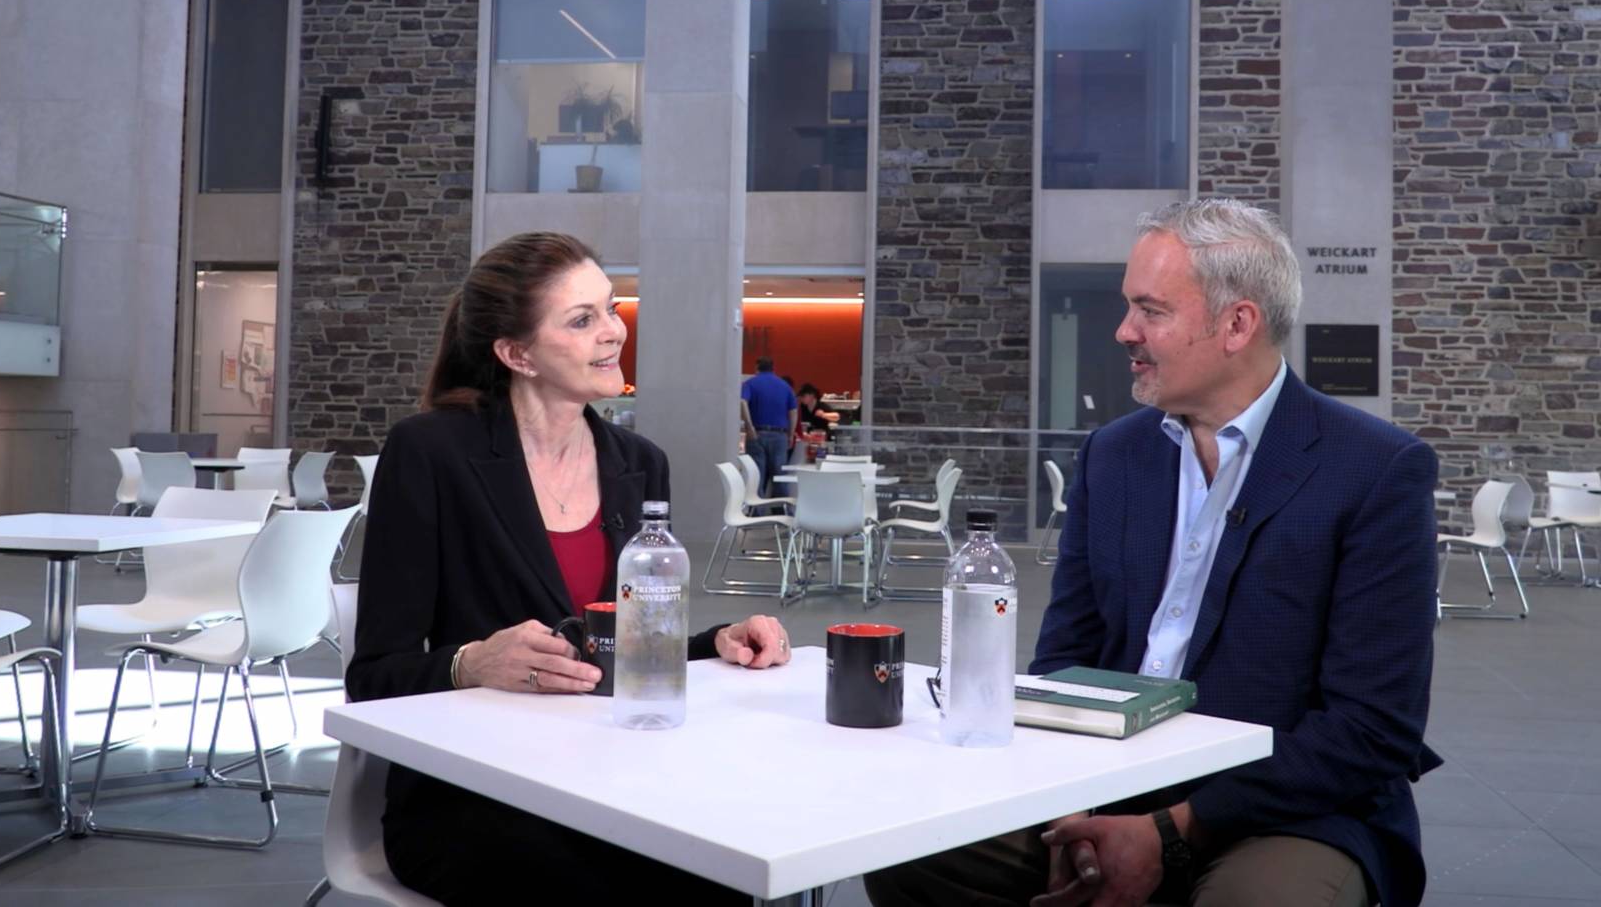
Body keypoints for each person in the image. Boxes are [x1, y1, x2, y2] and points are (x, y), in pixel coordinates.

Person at [865, 200, 1439, 907]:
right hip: (1110, 779)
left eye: (1150, 309)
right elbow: (1063, 664)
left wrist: (1171, 831)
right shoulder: (1114, 455)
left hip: (1291, 807)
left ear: (1237, 324)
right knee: (906, 846)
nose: (1124, 331)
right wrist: (1075, 807)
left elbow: (1371, 730)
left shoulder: (1375, 469)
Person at [349, 232, 795, 905]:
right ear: (515, 352)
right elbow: (372, 676)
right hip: (472, 794)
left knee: (729, 865)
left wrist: (718, 641)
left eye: (611, 309)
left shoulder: (640, 462)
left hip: (611, 778)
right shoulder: (430, 452)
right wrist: (469, 661)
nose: (613, 332)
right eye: (582, 319)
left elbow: (623, 647)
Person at [741, 356, 798, 495]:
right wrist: (791, 434)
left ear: (757, 368)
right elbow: (793, 411)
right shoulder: (785, 386)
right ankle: (782, 510)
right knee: (779, 476)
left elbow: (742, 402)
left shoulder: (750, 384)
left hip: (757, 434)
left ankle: (756, 511)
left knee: (757, 476)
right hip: (780, 436)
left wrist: (749, 427)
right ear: (773, 368)